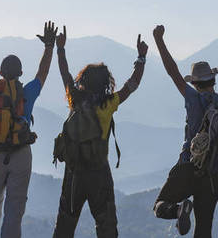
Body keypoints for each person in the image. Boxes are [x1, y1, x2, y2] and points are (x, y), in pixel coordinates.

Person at [152, 23, 218, 237]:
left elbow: (173, 72)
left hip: (188, 166)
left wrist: (159, 40)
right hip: (214, 174)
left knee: (160, 205)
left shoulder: (193, 99)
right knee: (204, 228)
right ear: (213, 80)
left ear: (195, 83)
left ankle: (178, 209)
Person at [52, 26, 148, 238]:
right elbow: (132, 85)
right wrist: (141, 58)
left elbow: (64, 73)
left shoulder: (75, 100)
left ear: (83, 80)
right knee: (106, 227)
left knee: (64, 227)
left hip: (73, 173)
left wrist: (60, 49)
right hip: (98, 173)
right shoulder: (108, 104)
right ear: (106, 83)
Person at [0, 14, 56, 238]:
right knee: (14, 210)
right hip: (20, 155)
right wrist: (49, 46)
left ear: (1, 73)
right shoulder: (27, 92)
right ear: (21, 73)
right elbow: (43, 72)